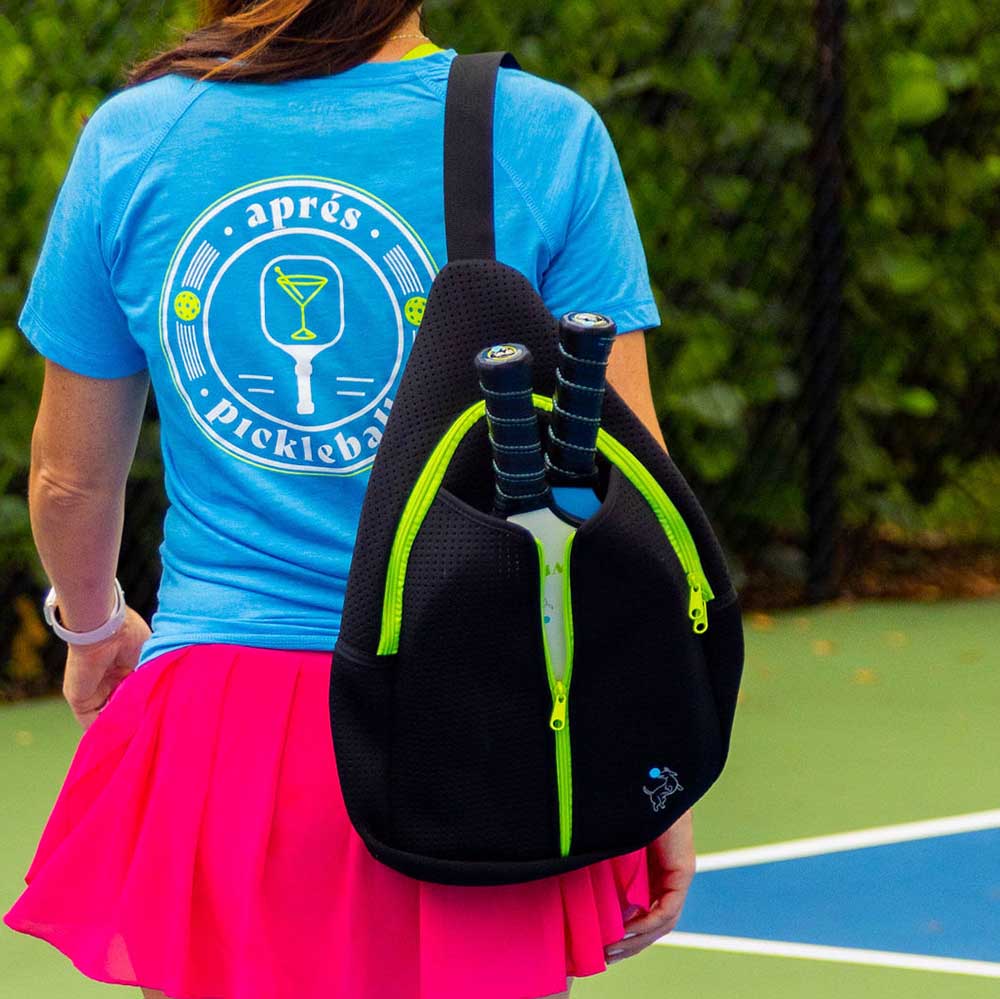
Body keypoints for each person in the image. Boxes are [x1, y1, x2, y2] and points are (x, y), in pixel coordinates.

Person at [2, 2, 696, 997]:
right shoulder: (541, 130)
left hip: (222, 732)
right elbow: (631, 493)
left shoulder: (137, 137)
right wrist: (654, 756)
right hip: (479, 722)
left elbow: (69, 478)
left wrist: (92, 625)